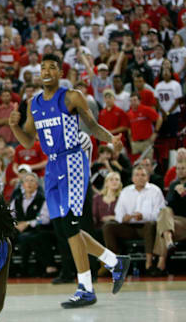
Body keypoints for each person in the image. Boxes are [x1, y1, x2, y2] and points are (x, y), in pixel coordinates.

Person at [8, 53, 130, 308]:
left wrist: (111, 139)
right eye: (43, 67)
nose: (47, 70)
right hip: (52, 166)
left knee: (72, 226)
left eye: (52, 67)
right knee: (64, 229)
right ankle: (114, 261)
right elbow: (29, 141)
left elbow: (92, 125)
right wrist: (15, 128)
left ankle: (86, 287)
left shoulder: (71, 96)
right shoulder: (34, 103)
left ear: (60, 73)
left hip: (73, 160)